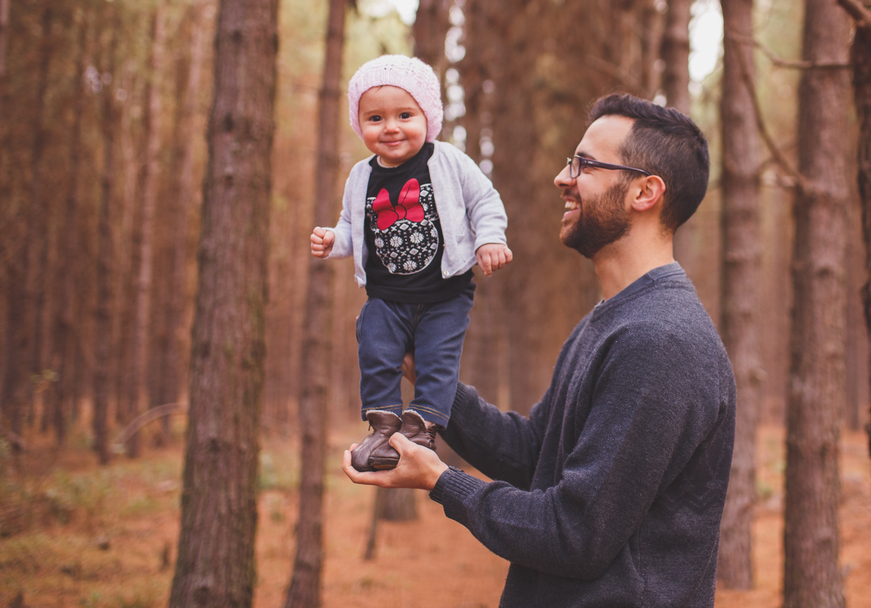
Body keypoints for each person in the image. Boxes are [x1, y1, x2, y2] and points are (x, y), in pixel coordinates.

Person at [343, 93, 736, 607]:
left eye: (584, 164)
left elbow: (576, 534)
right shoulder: (613, 321)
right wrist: (433, 383)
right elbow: (536, 458)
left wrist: (441, 480)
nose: (562, 177)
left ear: (645, 191)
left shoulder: (659, 341)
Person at [311, 54, 512, 471]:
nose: (391, 127)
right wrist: (334, 240)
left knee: (436, 361)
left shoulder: (447, 161)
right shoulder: (361, 176)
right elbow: (352, 226)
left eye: (405, 114)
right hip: (387, 294)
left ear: (429, 116)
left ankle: (421, 429)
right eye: (375, 118)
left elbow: (484, 201)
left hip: (444, 293)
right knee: (375, 346)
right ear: (359, 124)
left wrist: (490, 239)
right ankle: (383, 428)